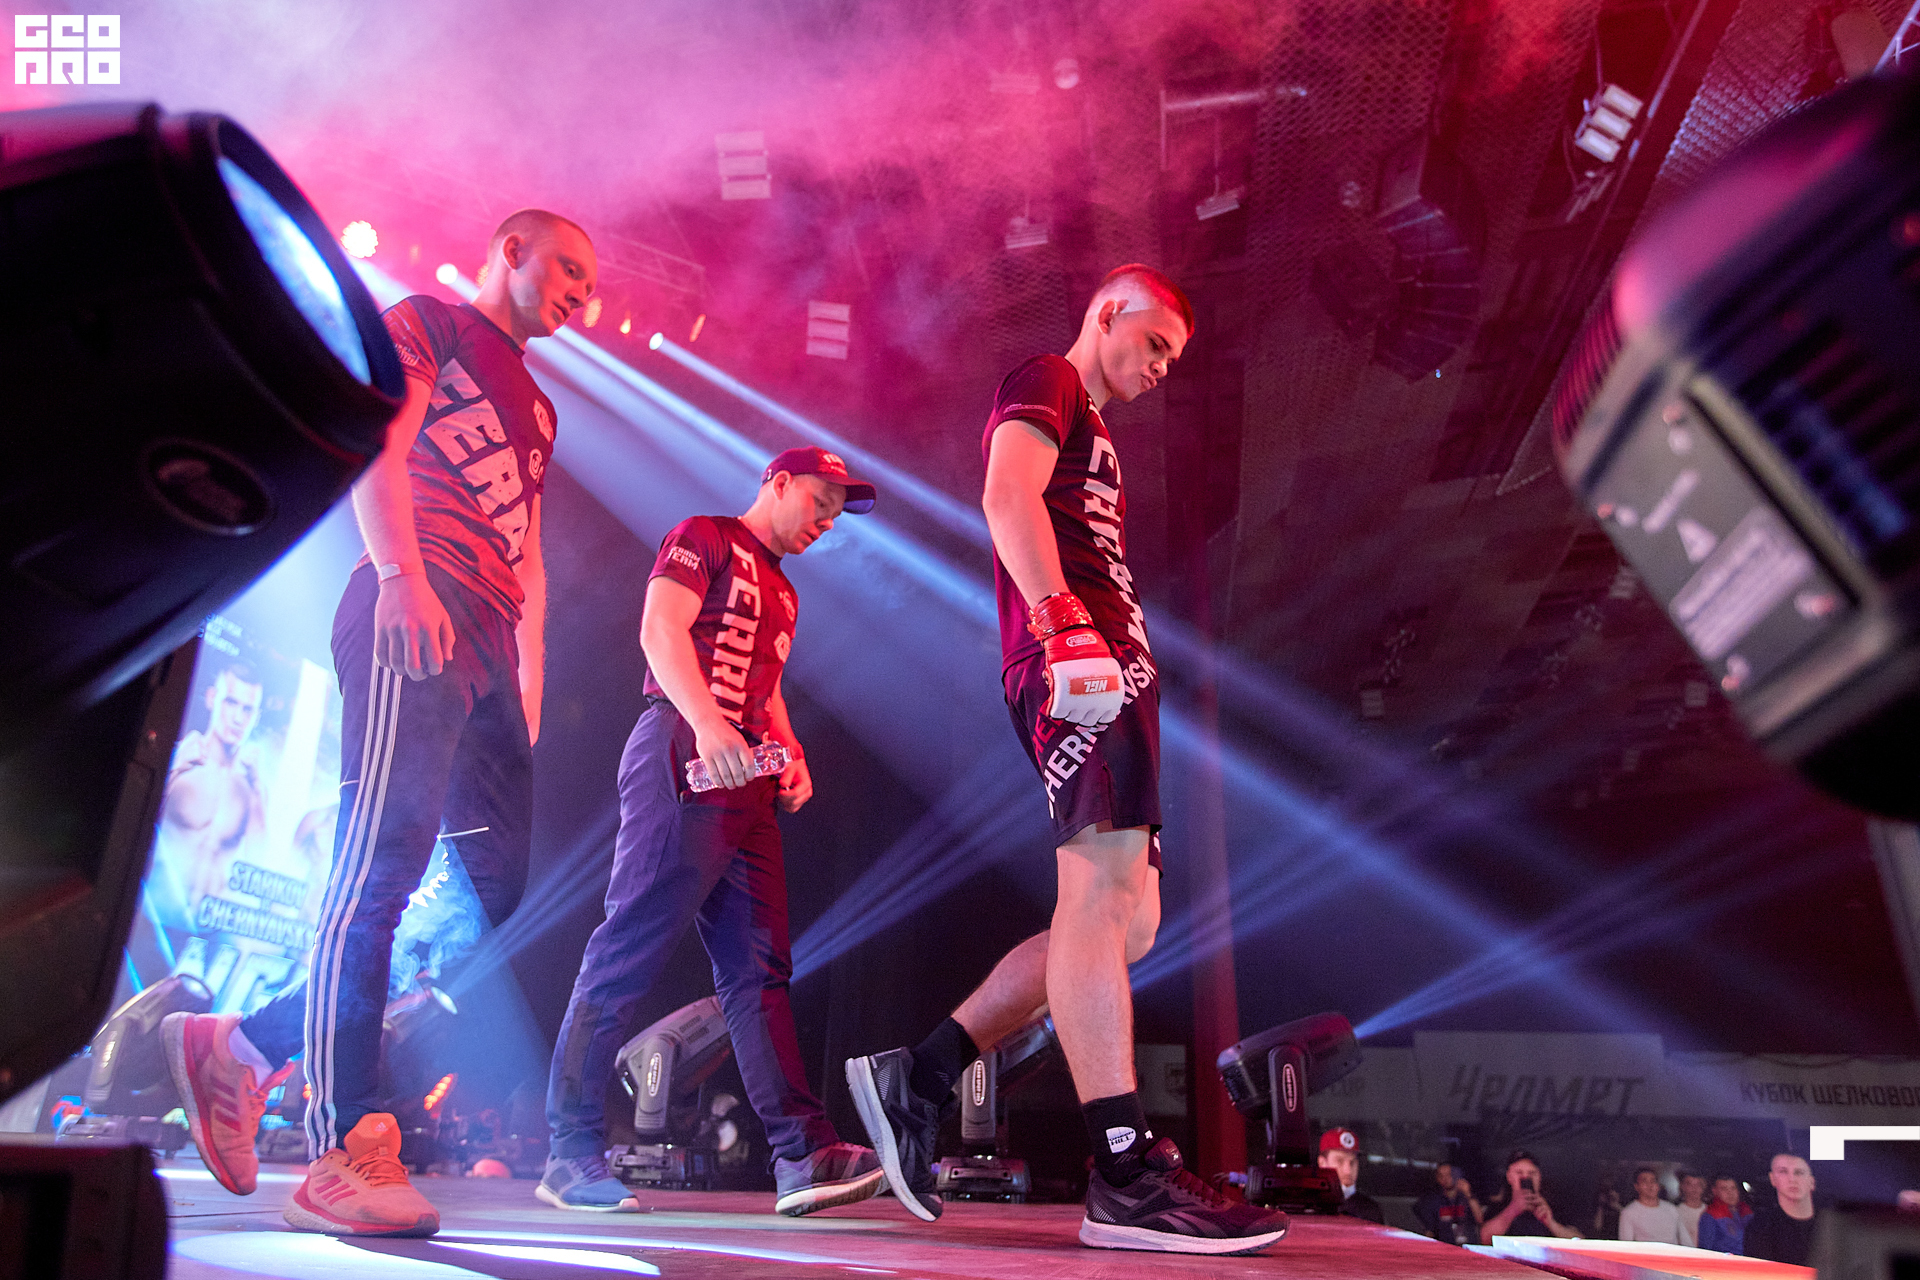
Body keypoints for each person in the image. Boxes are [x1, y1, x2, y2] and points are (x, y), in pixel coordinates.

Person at [161, 209, 597, 1237]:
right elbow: (383, 439)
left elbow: (530, 550)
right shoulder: (430, 322)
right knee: (380, 864)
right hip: (418, 591)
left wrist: (530, 672)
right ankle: (343, 1145)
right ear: (511, 250)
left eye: (591, 285)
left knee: (490, 885)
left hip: (491, 635)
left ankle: (245, 1044)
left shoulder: (538, 404)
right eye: (569, 270)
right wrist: (401, 573)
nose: (582, 295)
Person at [843, 265, 1287, 1256]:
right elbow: (1006, 494)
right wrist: (1062, 624)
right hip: (1078, 657)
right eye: (1156, 342)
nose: (1163, 368)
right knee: (1099, 894)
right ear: (1107, 313)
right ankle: (1124, 1170)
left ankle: (920, 1075)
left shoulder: (1095, 426)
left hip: (1109, 660)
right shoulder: (1049, 376)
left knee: (1131, 922)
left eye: (1173, 357)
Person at [540, 447, 886, 1218]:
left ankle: (801, 1153)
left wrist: (790, 752)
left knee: (760, 969)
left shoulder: (786, 592)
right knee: (628, 945)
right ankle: (569, 1151)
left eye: (838, 515)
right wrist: (705, 721)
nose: (827, 522)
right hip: (682, 749)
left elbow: (766, 689)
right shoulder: (705, 536)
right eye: (821, 503)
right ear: (779, 483)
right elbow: (659, 629)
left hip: (747, 776)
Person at [159, 662, 269, 912]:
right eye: (230, 703)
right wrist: (173, 769)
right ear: (211, 698)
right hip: (148, 917)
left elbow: (258, 863)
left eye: (248, 709)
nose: (238, 718)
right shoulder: (181, 759)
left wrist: (257, 791)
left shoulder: (251, 786)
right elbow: (131, 822)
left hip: (207, 924)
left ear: (256, 717)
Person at [1481, 1150, 1582, 1243]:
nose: (1525, 1178)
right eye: (1519, 1173)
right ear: (1509, 1176)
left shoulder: (1554, 1207)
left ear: (1539, 1176)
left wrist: (1551, 1223)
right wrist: (1513, 1210)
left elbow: (1579, 1241)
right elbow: (1484, 1239)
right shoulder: (1497, 1207)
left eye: (1531, 1173)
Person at [1743, 1153, 1817, 1266]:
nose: (1792, 1179)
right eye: (1783, 1172)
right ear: (1773, 1179)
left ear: (1811, 1181)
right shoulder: (1760, 1227)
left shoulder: (1831, 1225)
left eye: (1799, 1172)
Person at [1317, 1128, 1384, 1223]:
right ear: (1322, 1163)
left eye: (1352, 1162)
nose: (1348, 1171)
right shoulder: (1310, 1205)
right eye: (1339, 1161)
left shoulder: (1369, 1210)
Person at [1415, 1161, 1483, 1245]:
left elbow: (1479, 1219)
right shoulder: (1433, 1201)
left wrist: (1468, 1194)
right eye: (1441, 1176)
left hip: (1468, 1245)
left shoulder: (1466, 1198)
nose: (1445, 1179)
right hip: (1445, 1247)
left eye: (1448, 1175)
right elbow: (1429, 1231)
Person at [1617, 1166, 1682, 1243]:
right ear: (1636, 1186)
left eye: (1653, 1181)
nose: (1650, 1185)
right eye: (1644, 1182)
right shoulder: (1629, 1213)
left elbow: (1684, 1238)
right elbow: (1626, 1244)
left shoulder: (1671, 1209)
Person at [1696, 1173, 1753, 1254]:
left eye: (1733, 1188)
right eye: (1724, 1189)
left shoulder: (1746, 1212)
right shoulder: (1711, 1216)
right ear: (1715, 1191)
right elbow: (1705, 1250)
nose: (1730, 1193)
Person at [1676, 1170, 1707, 1247]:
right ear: (1682, 1187)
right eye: (1689, 1184)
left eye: (1698, 1184)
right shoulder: (1676, 1212)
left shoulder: (1709, 1211)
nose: (1694, 1188)